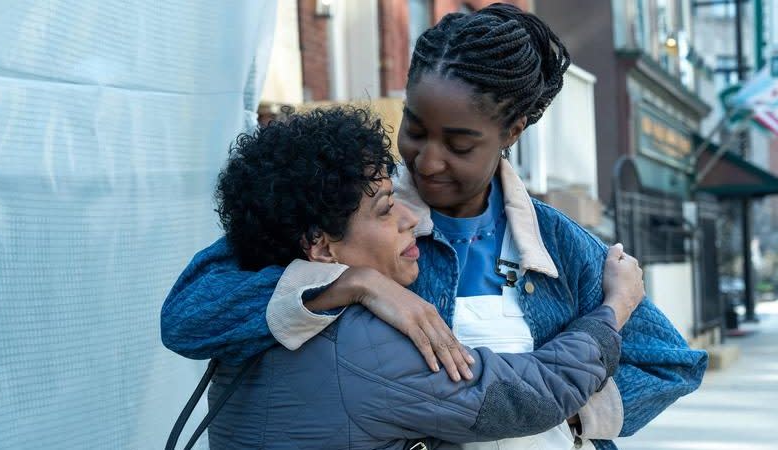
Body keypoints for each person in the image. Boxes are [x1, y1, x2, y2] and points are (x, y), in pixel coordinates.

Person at [161, 4, 707, 450]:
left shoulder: (561, 245)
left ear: (511, 132)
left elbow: (670, 364)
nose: (426, 161)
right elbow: (191, 316)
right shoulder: (339, 210)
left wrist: (573, 415)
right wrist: (354, 283)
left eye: (459, 143)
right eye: (416, 129)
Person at [179, 106, 641, 449]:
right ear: (320, 245)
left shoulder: (257, 310)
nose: (409, 218)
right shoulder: (366, 348)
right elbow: (533, 393)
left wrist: (358, 279)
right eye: (384, 208)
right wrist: (613, 308)